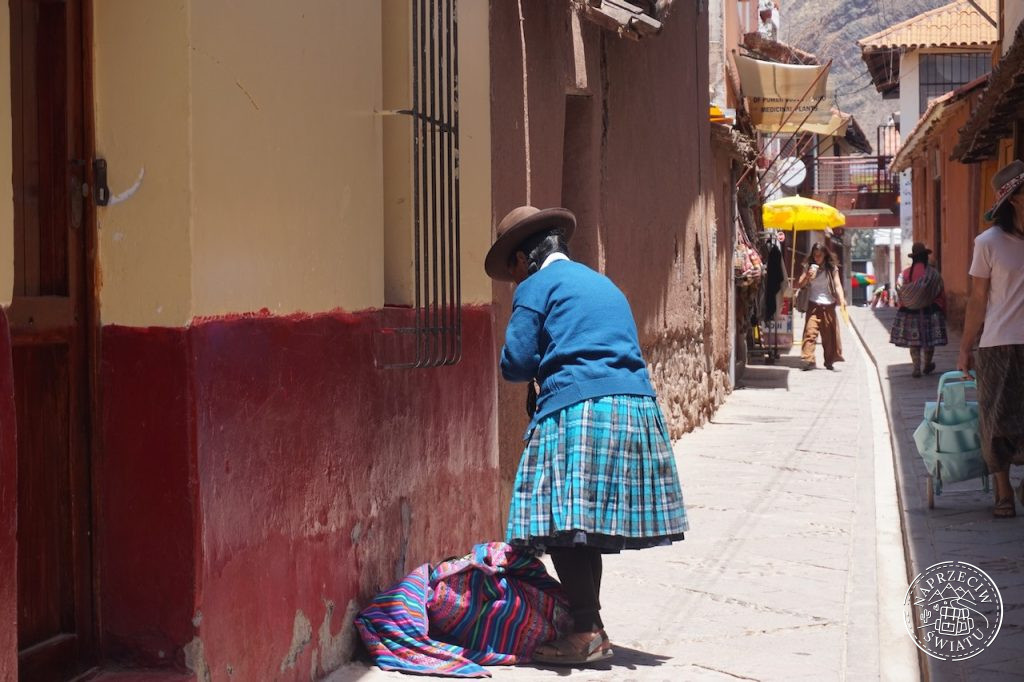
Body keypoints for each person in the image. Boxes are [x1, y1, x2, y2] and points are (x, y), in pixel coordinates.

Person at [484, 205, 688, 665]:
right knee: (579, 531)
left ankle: (585, 631)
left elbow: (516, 364)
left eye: (513, 271)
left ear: (522, 260)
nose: (515, 281)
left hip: (582, 407)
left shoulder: (536, 287)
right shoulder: (603, 283)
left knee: (557, 522)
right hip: (636, 407)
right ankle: (589, 625)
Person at [957, 159, 1024, 519]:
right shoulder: (989, 243)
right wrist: (966, 348)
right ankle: (1003, 492)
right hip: (999, 344)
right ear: (1013, 199)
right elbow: (978, 300)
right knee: (996, 421)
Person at [890, 243, 948, 378]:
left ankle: (916, 367)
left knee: (914, 341)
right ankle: (927, 365)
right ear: (925, 257)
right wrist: (942, 309)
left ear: (914, 257)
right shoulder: (933, 273)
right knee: (929, 340)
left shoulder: (904, 273)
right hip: (930, 311)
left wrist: (909, 301)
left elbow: (900, 289)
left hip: (910, 312)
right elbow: (940, 291)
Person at [795, 242, 846, 371]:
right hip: (813, 304)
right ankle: (808, 359)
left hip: (828, 305)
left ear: (825, 255)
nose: (817, 258)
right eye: (815, 255)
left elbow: (838, 284)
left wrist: (842, 299)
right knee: (810, 332)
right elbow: (800, 284)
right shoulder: (808, 267)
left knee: (829, 337)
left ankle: (829, 361)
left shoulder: (831, 268)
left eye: (820, 255)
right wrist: (807, 276)